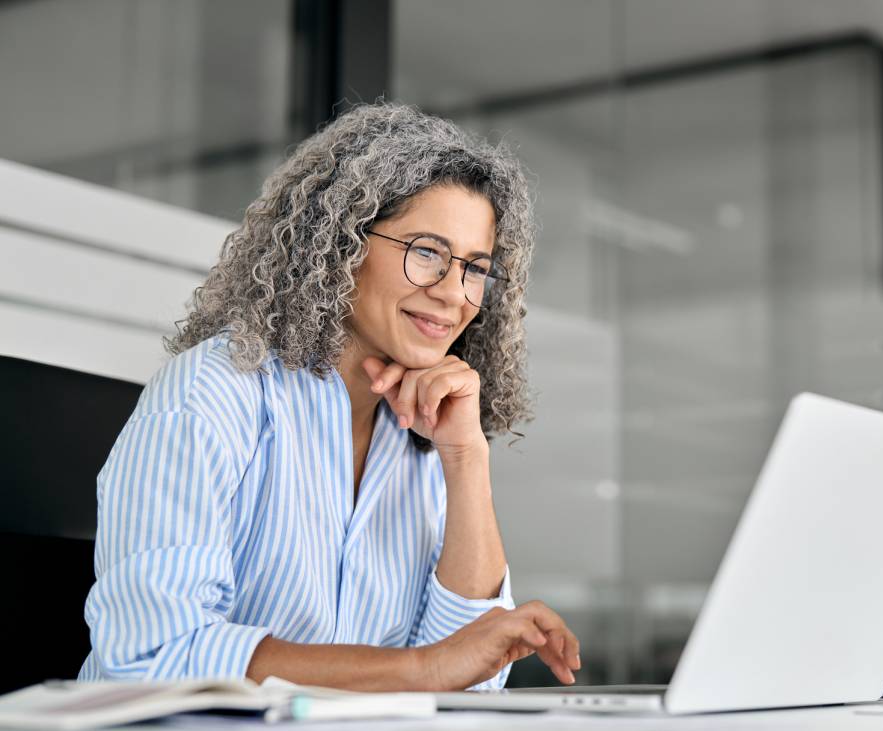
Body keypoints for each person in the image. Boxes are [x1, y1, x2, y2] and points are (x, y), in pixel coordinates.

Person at [76, 103, 580, 692]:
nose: (453, 293)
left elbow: (471, 682)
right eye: (426, 252)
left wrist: (466, 459)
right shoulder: (212, 394)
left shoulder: (425, 428)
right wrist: (421, 670)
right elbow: (152, 654)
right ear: (342, 242)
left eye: (475, 267)